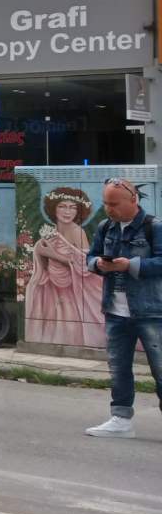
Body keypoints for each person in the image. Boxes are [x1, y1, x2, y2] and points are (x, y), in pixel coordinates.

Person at [85, 177, 162, 438]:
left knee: (160, 368)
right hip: (115, 310)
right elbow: (90, 256)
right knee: (118, 367)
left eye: (114, 204)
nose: (109, 209)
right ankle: (120, 419)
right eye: (106, 203)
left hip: (152, 311)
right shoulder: (105, 227)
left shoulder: (154, 226)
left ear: (133, 200)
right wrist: (98, 264)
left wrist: (130, 265)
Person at [23, 186, 106, 346]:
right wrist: (40, 251)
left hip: (71, 290)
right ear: (53, 208)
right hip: (51, 287)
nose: (67, 212)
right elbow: (45, 262)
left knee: (69, 325)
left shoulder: (77, 232)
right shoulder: (51, 232)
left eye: (72, 207)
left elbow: (84, 264)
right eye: (62, 206)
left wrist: (52, 254)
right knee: (52, 324)